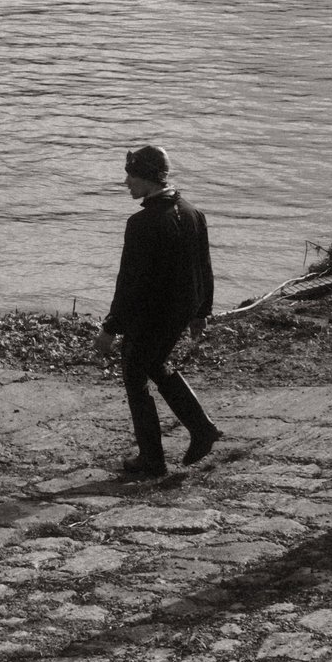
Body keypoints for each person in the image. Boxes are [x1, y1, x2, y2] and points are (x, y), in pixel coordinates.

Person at [93, 145, 221, 477]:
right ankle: (202, 429)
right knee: (156, 365)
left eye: (130, 176)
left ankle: (152, 459)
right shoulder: (193, 212)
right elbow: (204, 269)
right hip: (180, 312)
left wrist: (110, 326)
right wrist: (201, 311)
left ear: (148, 179)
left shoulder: (142, 223)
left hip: (151, 315)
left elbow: (130, 283)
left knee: (135, 375)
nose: (126, 183)